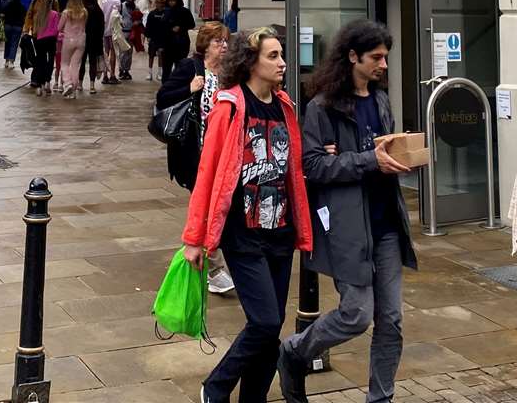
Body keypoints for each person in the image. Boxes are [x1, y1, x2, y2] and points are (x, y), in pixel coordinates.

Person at [277, 21, 416, 403]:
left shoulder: (381, 100)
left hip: (387, 223)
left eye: (386, 57)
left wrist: (402, 155)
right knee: (356, 314)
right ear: (352, 57)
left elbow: (378, 155)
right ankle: (294, 351)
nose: (383, 65)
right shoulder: (322, 107)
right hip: (348, 227)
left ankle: (380, 398)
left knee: (391, 320)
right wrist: (368, 159)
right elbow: (314, 167)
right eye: (376, 57)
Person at [182, 27, 311, 403]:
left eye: (281, 54)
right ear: (250, 62)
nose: (283, 62)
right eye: (273, 56)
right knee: (265, 321)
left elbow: (292, 169)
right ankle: (216, 386)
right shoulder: (231, 106)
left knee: (271, 330)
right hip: (243, 234)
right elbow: (207, 173)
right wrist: (195, 237)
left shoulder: (285, 105)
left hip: (280, 232)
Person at [157, 21, 234, 293]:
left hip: (224, 154)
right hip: (194, 155)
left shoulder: (228, 73)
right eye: (217, 42)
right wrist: (189, 89)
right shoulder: (191, 68)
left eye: (225, 41)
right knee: (208, 209)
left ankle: (205, 259)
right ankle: (213, 269)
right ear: (204, 45)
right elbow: (163, 96)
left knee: (216, 209)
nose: (223, 46)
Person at [26, 0, 60, 97]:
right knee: (50, 62)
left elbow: (35, 27)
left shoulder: (39, 15)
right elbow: (57, 29)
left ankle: (39, 86)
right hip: (51, 39)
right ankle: (47, 82)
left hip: (40, 39)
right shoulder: (54, 14)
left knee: (40, 61)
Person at [58, 0, 88, 100]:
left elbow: (59, 27)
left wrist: (63, 30)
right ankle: (74, 89)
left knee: (64, 63)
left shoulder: (66, 13)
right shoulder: (84, 12)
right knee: (75, 65)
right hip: (81, 40)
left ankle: (68, 83)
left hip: (68, 40)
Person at [163, 0, 195, 81]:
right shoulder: (166, 12)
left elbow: (192, 24)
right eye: (169, 0)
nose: (171, 3)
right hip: (168, 43)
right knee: (167, 68)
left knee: (180, 66)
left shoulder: (185, 11)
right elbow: (161, 26)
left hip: (181, 43)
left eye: (173, 0)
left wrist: (181, 28)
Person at [0, 0, 27, 70]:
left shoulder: (8, 4)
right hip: (18, 26)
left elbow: (2, 14)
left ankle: (6, 60)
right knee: (14, 44)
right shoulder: (22, 7)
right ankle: (11, 60)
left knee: (7, 43)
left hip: (7, 25)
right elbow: (24, 17)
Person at [82, 0, 106, 94]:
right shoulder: (99, 11)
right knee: (93, 62)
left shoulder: (83, 11)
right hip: (95, 40)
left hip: (83, 39)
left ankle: (79, 83)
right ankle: (92, 85)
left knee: (81, 62)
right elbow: (102, 28)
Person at [145, 0, 171, 81]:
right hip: (153, 37)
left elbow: (168, 26)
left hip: (163, 38)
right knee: (151, 55)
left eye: (162, 3)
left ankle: (160, 73)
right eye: (158, 2)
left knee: (161, 55)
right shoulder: (152, 14)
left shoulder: (166, 13)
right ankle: (149, 72)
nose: (160, 4)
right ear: (156, 3)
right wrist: (148, 36)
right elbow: (148, 26)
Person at [101, 0, 123, 86]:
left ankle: (105, 75)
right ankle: (113, 75)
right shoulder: (118, 2)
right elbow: (117, 15)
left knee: (106, 52)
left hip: (105, 29)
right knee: (113, 52)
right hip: (114, 29)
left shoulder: (104, 2)